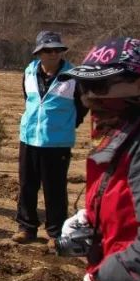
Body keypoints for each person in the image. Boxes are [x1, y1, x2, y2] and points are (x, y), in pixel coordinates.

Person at [51, 38, 140, 281]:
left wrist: (100, 276)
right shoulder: (120, 136)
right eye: (85, 88)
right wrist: (89, 218)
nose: (90, 98)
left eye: (101, 88)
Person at [15, 31, 88, 250]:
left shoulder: (73, 76)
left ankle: (55, 232)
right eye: (48, 50)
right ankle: (26, 227)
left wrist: (65, 125)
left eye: (57, 50)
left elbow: (81, 106)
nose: (53, 54)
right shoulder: (29, 71)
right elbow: (28, 99)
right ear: (39, 53)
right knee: (27, 184)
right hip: (29, 138)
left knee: (54, 188)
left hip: (56, 143)